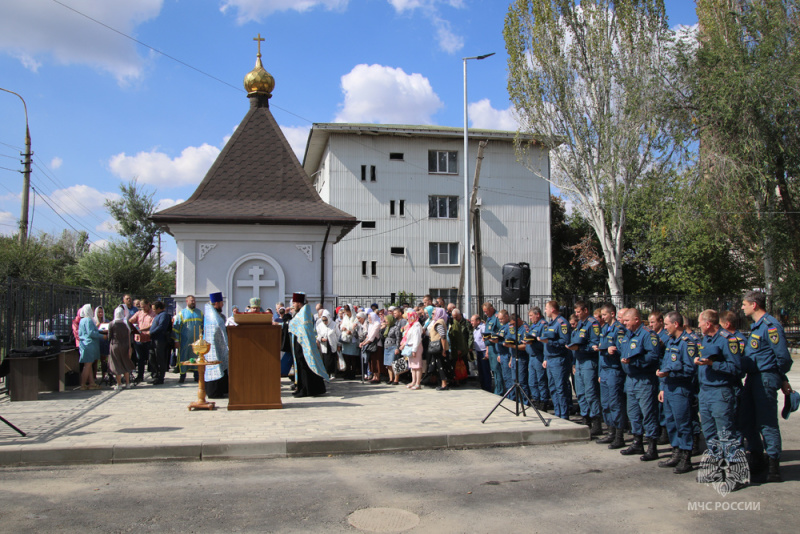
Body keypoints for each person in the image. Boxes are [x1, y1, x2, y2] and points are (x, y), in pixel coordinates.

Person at [617, 308, 663, 461]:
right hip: (630, 379)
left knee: (648, 413)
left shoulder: (648, 335)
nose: (624, 323)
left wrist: (635, 362)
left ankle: (652, 447)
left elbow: (653, 356)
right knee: (633, 412)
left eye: (627, 320)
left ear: (636, 320)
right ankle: (637, 442)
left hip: (644, 379)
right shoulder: (628, 334)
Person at [656, 311, 696, 474]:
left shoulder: (687, 343)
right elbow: (666, 364)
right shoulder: (671, 342)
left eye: (667, 324)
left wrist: (670, 374)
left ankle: (686, 457)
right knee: (671, 422)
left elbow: (690, 369)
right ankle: (676, 452)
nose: (665, 328)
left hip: (681, 388)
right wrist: (663, 387)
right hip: (669, 388)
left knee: (683, 423)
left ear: (676, 324)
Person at [567, 300, 602, 435]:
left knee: (590, 392)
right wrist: (575, 361)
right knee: (580, 392)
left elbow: (595, 345)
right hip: (580, 361)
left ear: (585, 310)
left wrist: (580, 348)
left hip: (588, 361)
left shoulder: (592, 324)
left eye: (578, 311)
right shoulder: (580, 324)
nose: (576, 314)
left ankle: (596, 422)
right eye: (575, 312)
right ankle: (585, 417)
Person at [596, 304, 628, 449]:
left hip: (614, 370)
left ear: (612, 314)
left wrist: (609, 349)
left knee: (615, 404)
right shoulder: (604, 329)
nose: (602, 317)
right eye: (602, 315)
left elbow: (621, 349)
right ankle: (610, 432)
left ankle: (619, 435)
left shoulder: (619, 329)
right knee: (606, 403)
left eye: (605, 315)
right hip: (605, 370)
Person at [289, 292, 329, 397]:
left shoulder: (305, 311)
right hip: (298, 342)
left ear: (299, 302)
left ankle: (306, 390)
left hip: (303, 344)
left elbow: (303, 328)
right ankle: (301, 387)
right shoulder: (300, 312)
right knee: (300, 365)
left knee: (304, 367)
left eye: (294, 302)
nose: (293, 304)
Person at [540, 301, 571, 420]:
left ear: (553, 309)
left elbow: (565, 341)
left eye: (546, 308)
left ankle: (564, 414)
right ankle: (558, 412)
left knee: (560, 388)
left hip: (559, 359)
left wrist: (550, 342)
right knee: (552, 387)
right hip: (550, 359)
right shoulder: (549, 324)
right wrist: (546, 358)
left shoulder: (561, 323)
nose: (545, 311)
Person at [204, 292, 230, 398]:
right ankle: (214, 392)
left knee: (221, 365)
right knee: (215, 365)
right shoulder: (212, 315)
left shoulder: (216, 315)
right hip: (213, 346)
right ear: (217, 303)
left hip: (218, 345)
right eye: (221, 303)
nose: (222, 305)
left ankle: (222, 389)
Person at [173, 295, 203, 383]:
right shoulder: (181, 314)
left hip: (197, 342)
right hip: (185, 341)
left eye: (194, 300)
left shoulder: (200, 313)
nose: (193, 302)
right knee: (184, 357)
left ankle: (197, 376)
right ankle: (182, 375)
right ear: (187, 301)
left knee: (197, 357)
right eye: (191, 301)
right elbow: (176, 328)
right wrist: (176, 340)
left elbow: (203, 326)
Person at [525, 307, 550, 410]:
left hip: (539, 356)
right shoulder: (533, 326)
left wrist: (534, 341)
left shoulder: (543, 325)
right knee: (532, 381)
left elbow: (544, 343)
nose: (530, 318)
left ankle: (543, 401)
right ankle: (536, 399)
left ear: (537, 315)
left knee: (541, 380)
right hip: (532, 356)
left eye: (531, 315)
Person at [129, 299, 156, 385]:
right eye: (141, 307)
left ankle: (153, 375)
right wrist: (134, 328)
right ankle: (140, 376)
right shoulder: (138, 313)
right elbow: (130, 321)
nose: (143, 309)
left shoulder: (153, 314)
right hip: (138, 339)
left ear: (148, 304)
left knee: (150, 358)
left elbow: (152, 325)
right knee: (140, 359)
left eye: (144, 307)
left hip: (148, 339)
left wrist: (141, 330)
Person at [77, 304, 104, 390]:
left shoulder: (82, 320)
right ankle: (83, 384)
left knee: (88, 364)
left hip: (84, 344)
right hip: (89, 344)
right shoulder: (88, 320)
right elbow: (91, 333)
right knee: (88, 365)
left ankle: (91, 383)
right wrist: (101, 335)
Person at [108, 306, 135, 389]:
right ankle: (127, 383)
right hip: (125, 345)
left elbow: (109, 336)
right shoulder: (126, 323)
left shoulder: (112, 324)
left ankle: (119, 384)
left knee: (117, 364)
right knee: (125, 363)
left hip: (115, 345)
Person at [147, 301, 172, 385]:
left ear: (158, 308)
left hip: (160, 340)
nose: (153, 310)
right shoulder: (158, 315)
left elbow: (161, 327)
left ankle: (160, 377)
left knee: (160, 358)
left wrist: (151, 332)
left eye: (154, 309)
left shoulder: (164, 315)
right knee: (152, 357)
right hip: (154, 340)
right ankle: (155, 374)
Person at [427, 307, 450, 391]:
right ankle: (440, 382)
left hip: (439, 348)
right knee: (436, 366)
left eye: (433, 313)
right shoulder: (439, 322)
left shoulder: (439, 323)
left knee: (441, 366)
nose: (432, 315)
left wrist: (443, 349)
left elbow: (443, 336)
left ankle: (444, 384)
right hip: (437, 348)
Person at [400, 309, 424, 390]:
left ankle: (418, 383)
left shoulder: (417, 325)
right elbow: (408, 337)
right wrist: (404, 344)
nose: (407, 320)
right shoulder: (411, 325)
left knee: (417, 365)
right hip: (410, 346)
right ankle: (413, 381)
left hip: (415, 347)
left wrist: (414, 350)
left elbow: (417, 339)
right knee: (412, 366)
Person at [470, 314, 491, 392]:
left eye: (473, 320)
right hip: (478, 351)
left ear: (478, 321)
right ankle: (482, 386)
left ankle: (487, 387)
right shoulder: (475, 329)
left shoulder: (483, 328)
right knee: (480, 370)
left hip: (483, 351)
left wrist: (487, 351)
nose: (471, 322)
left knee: (485, 370)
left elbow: (486, 339)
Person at [316, 310, 340, 377]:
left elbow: (338, 335)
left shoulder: (334, 324)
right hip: (324, 345)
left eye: (326, 320)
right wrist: (321, 339)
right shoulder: (320, 325)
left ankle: (333, 373)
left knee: (332, 359)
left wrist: (338, 344)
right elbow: (318, 335)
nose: (324, 322)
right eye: (323, 320)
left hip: (332, 344)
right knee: (326, 360)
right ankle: (326, 373)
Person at [361, 312, 383, 383]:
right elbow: (368, 336)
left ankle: (377, 377)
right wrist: (363, 342)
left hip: (376, 345)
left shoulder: (377, 324)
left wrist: (364, 343)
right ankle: (374, 376)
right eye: (368, 318)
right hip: (371, 345)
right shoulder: (371, 325)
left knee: (376, 361)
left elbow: (372, 337)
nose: (369, 319)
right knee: (372, 361)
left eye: (370, 318)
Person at [93, 306, 110, 384]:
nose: (100, 314)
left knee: (104, 359)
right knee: (95, 360)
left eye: (101, 312)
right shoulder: (93, 321)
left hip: (104, 341)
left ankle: (104, 375)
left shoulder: (106, 321)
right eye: (99, 312)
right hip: (97, 342)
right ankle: (94, 376)